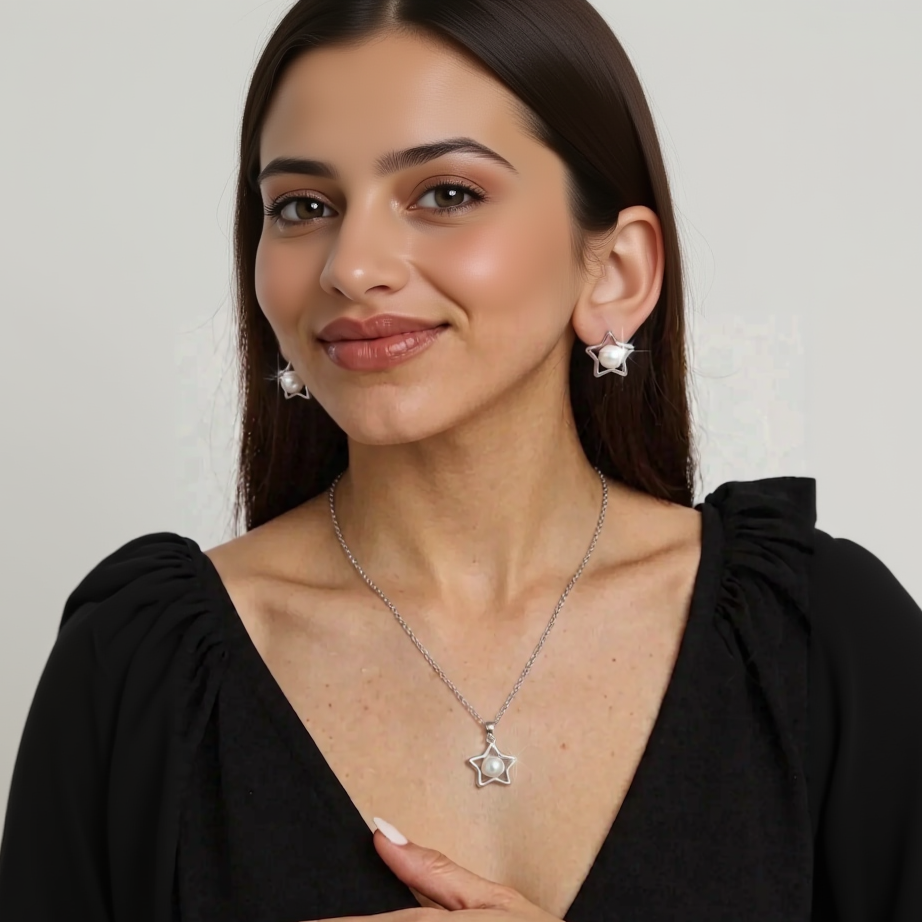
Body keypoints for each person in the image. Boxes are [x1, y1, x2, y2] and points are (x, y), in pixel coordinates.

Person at [1, 1, 920, 919]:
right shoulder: (134, 675)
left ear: (616, 271)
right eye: (304, 207)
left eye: (445, 194)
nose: (351, 266)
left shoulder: (825, 640)